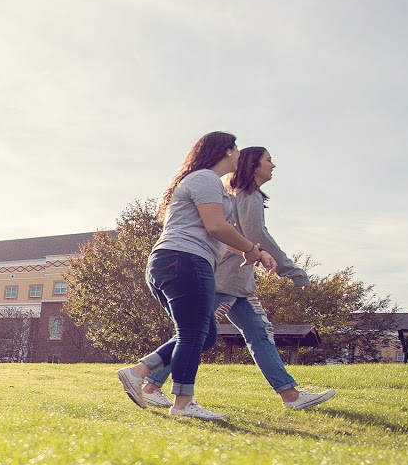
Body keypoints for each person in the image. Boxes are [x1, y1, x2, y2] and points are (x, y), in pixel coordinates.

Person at [139, 147, 334, 410]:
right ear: (254, 165)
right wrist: (293, 271)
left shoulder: (239, 194)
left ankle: (290, 396)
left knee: (258, 333)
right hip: (225, 279)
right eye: (269, 160)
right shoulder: (248, 195)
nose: (273, 165)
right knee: (195, 334)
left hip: (238, 282)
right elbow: (257, 236)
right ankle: (150, 384)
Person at [115, 131, 275, 421]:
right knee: (192, 334)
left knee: (205, 335)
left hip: (174, 262)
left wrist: (256, 253)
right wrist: (251, 249)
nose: (240, 154)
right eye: (237, 149)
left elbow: (219, 233)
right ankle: (183, 402)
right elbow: (216, 227)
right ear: (226, 151)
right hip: (186, 261)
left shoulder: (205, 182)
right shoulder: (205, 179)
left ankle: (138, 372)